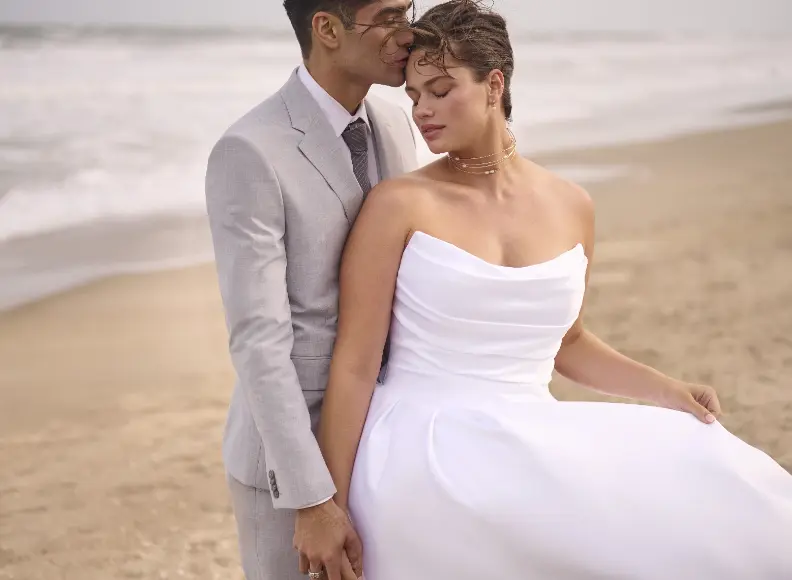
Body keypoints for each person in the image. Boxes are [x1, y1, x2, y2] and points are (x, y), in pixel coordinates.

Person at [316, 1, 792, 578]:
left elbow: (568, 344)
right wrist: (331, 504)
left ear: (494, 84)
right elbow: (355, 365)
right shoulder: (398, 205)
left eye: (440, 90)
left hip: (526, 428)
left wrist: (668, 390)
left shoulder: (572, 204)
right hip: (420, 441)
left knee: (721, 480)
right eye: (414, 96)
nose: (423, 111)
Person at [203, 1, 417, 578]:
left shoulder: (397, 123)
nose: (409, 32)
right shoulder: (250, 151)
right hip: (292, 460)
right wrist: (310, 499)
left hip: (383, 435)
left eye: (411, 8)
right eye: (389, 15)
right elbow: (258, 339)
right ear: (326, 28)